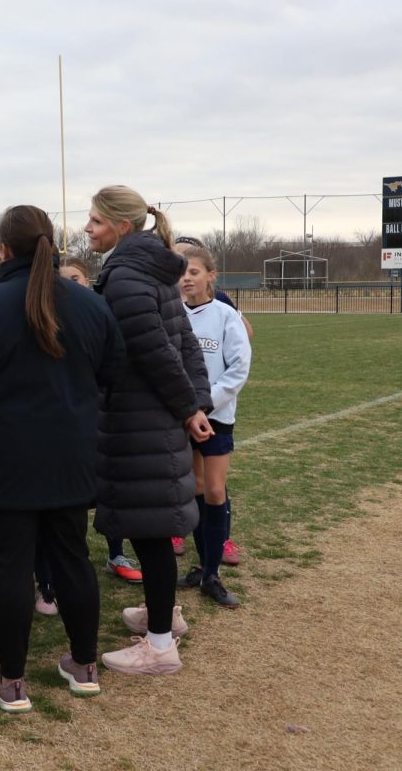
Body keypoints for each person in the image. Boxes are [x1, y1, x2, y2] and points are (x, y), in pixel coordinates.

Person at [0, 205, 124, 712]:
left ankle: (14, 680)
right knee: (71, 556)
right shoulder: (88, 304)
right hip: (70, 454)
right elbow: (112, 372)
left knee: (14, 566)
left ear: (5, 247)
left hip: (8, 457)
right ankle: (82, 665)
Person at [86, 185, 214, 676]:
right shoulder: (148, 270)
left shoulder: (125, 277)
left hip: (140, 421)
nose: (87, 229)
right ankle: (164, 612)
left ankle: (159, 644)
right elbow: (183, 343)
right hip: (152, 419)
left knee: (152, 530)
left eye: (95, 221)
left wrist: (187, 407)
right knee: (150, 525)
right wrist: (194, 403)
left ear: (121, 226)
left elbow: (155, 351)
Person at [58, 257, 143, 585]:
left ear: (88, 279)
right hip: (69, 416)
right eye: (63, 279)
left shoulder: (100, 312)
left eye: (75, 277)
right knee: (76, 488)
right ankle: (72, 552)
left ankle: (115, 552)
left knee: (111, 485)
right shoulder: (51, 316)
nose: (69, 283)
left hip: (103, 411)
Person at [176, 244, 251, 608]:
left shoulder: (225, 316)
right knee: (195, 488)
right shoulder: (172, 315)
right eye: (182, 273)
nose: (186, 279)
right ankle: (203, 566)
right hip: (181, 418)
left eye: (193, 272)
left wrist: (205, 406)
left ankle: (212, 575)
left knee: (215, 492)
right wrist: (185, 409)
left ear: (210, 276)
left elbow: (238, 370)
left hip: (215, 418)